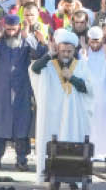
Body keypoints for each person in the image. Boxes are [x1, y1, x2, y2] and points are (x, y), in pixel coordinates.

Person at [30, 30, 93, 179]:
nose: (66, 54)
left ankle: (74, 177)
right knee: (51, 144)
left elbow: (89, 89)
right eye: (63, 50)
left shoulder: (81, 65)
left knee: (73, 143)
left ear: (74, 51)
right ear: (57, 48)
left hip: (74, 116)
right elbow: (34, 69)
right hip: (52, 115)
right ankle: (50, 176)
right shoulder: (49, 64)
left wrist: (73, 78)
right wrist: (48, 54)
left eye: (69, 51)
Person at [0, 14, 46, 171]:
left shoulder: (26, 42)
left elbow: (41, 53)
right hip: (1, 92)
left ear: (19, 27)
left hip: (21, 91)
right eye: (8, 29)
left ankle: (21, 159)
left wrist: (32, 38)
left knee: (21, 127)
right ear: (4, 27)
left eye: (14, 29)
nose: (11, 32)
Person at [82, 26, 106, 171]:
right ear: (88, 40)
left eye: (97, 41)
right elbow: (81, 72)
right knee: (89, 130)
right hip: (89, 100)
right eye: (92, 41)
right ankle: (87, 160)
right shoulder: (83, 53)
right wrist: (85, 55)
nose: (95, 44)